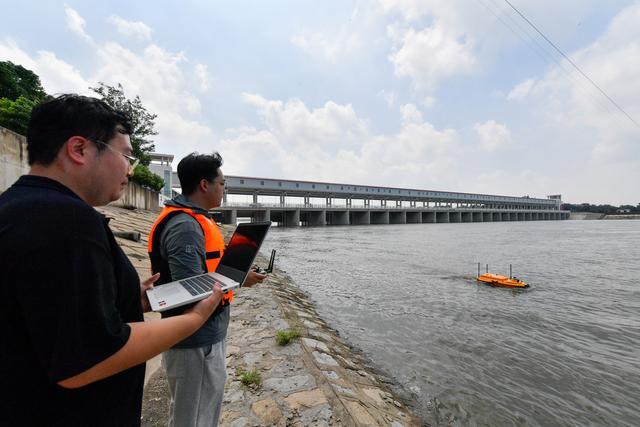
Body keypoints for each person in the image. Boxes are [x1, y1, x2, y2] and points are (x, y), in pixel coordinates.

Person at [0, 94, 223, 426]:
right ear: (79, 150)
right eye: (126, 156)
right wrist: (195, 318)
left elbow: (48, 312)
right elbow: (86, 359)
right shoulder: (67, 223)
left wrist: (128, 298)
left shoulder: (20, 208)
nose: (130, 170)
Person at [148, 152, 266, 427]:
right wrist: (236, 280)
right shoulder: (185, 226)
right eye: (222, 183)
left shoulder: (197, 218)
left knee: (198, 409)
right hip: (195, 340)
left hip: (207, 334)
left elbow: (204, 274)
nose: (224, 190)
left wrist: (239, 276)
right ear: (204, 185)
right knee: (193, 416)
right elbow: (190, 290)